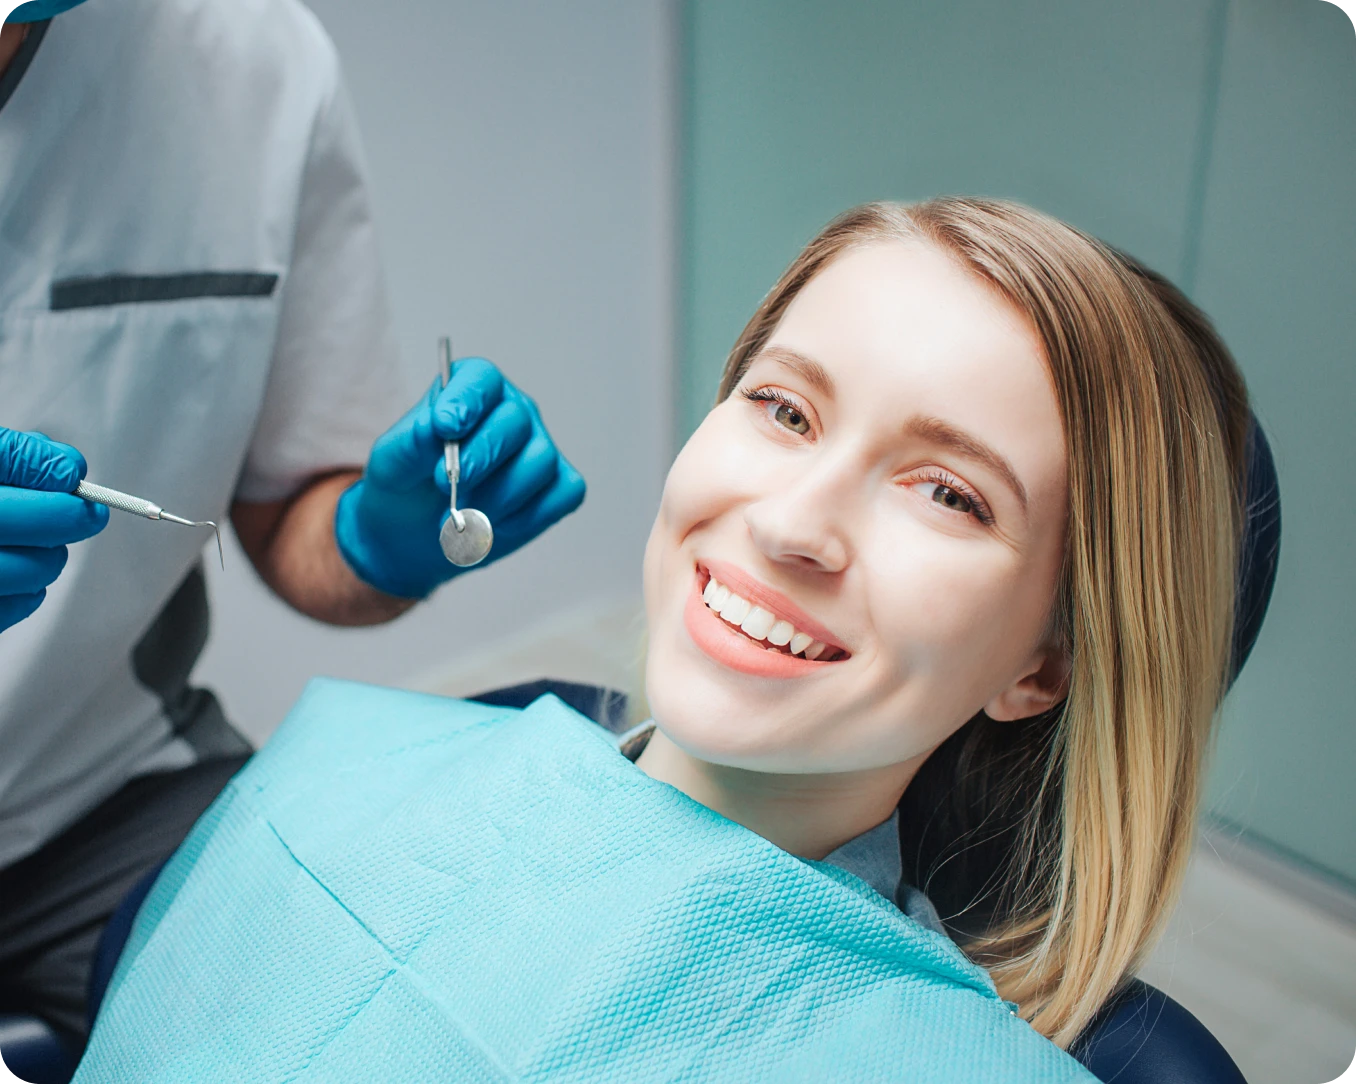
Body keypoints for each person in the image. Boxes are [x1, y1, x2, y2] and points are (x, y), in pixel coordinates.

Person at [76, 198, 1252, 1080]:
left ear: (1043, 665)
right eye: (785, 407)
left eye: (947, 492)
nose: (792, 523)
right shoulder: (340, 761)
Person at [0, 0, 585, 1050]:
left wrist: (369, 535)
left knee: (394, 1019)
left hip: (97, 794)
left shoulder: (250, 63)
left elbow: (287, 510)